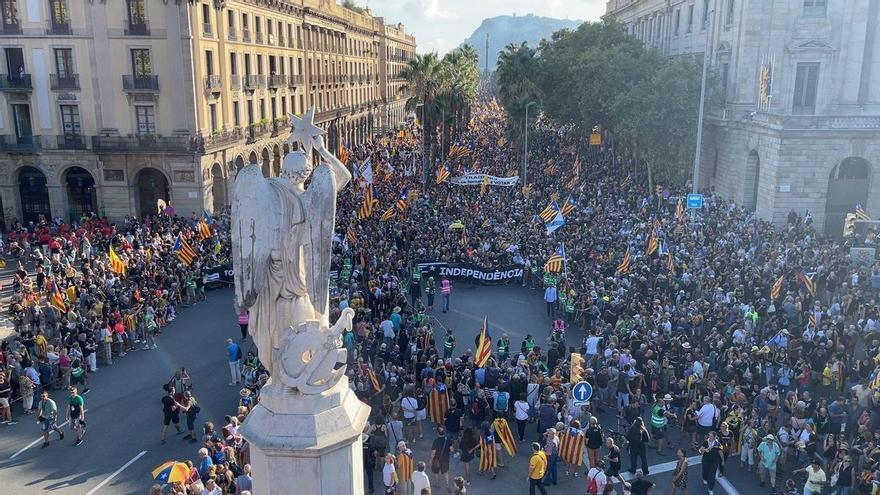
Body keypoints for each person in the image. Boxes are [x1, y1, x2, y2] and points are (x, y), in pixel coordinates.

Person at [699, 431, 722, 495]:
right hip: (706, 460)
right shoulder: (706, 442)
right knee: (705, 472)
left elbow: (721, 450)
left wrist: (722, 460)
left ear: (715, 437)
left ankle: (710, 489)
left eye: (711, 436)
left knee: (712, 476)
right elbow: (700, 450)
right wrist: (705, 450)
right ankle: (705, 478)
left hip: (714, 462)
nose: (709, 437)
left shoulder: (717, 443)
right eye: (709, 435)